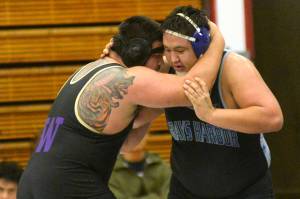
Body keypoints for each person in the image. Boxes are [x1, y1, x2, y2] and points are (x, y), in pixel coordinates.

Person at [17, 15, 224, 199]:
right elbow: (196, 90)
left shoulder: (89, 71)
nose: (163, 64)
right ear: (137, 51)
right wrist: (216, 39)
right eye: (160, 55)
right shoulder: (126, 78)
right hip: (67, 184)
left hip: (32, 183)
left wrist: (162, 101)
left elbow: (127, 143)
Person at [160, 6, 283, 199]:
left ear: (202, 45)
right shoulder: (164, 69)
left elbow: (273, 118)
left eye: (180, 50)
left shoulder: (233, 67)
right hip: (185, 190)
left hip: (245, 189)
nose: (173, 58)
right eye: (167, 49)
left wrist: (212, 115)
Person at [109, 135, 171, 199]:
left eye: (140, 131)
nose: (134, 139)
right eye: (129, 134)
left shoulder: (162, 167)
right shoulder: (109, 173)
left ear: (146, 135)